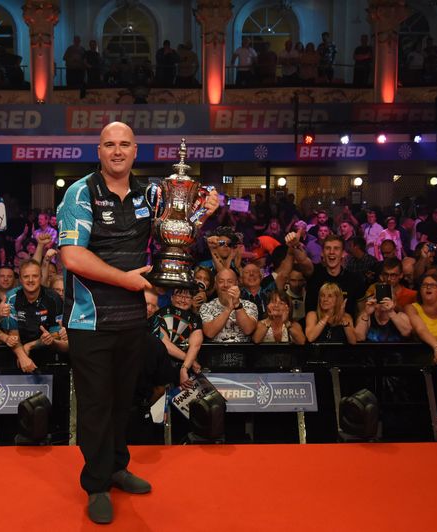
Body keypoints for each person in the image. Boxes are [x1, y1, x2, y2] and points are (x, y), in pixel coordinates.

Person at [57, 120, 217, 524]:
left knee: (124, 401)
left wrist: (200, 215)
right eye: (109, 144)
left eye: (124, 144)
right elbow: (73, 257)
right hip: (88, 320)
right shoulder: (80, 192)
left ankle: (116, 467)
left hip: (132, 320)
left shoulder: (152, 193)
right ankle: (95, 484)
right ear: (99, 151)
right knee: (95, 406)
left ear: (135, 151)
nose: (116, 151)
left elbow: (175, 234)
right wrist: (128, 281)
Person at [0, 260, 66, 371]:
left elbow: (55, 334)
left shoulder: (54, 298)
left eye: (35, 276)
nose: (30, 280)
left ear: (41, 277)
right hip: (16, 352)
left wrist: (31, 345)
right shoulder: (12, 297)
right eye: (26, 277)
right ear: (20, 280)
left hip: (46, 351)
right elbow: (13, 334)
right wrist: (22, 356)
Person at [149, 287, 204, 386]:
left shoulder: (195, 318)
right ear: (172, 298)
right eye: (179, 296)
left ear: (192, 300)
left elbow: (195, 345)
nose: (183, 300)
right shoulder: (160, 313)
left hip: (185, 365)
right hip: (161, 362)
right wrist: (190, 361)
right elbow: (164, 343)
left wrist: (185, 368)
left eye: (187, 297)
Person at [200, 268, 259, 342]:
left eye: (230, 281)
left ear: (236, 283)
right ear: (215, 285)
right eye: (221, 281)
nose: (225, 285)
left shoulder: (250, 305)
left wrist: (237, 305)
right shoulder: (206, 307)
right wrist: (228, 308)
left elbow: (248, 330)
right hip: (217, 352)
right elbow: (209, 333)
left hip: (242, 352)